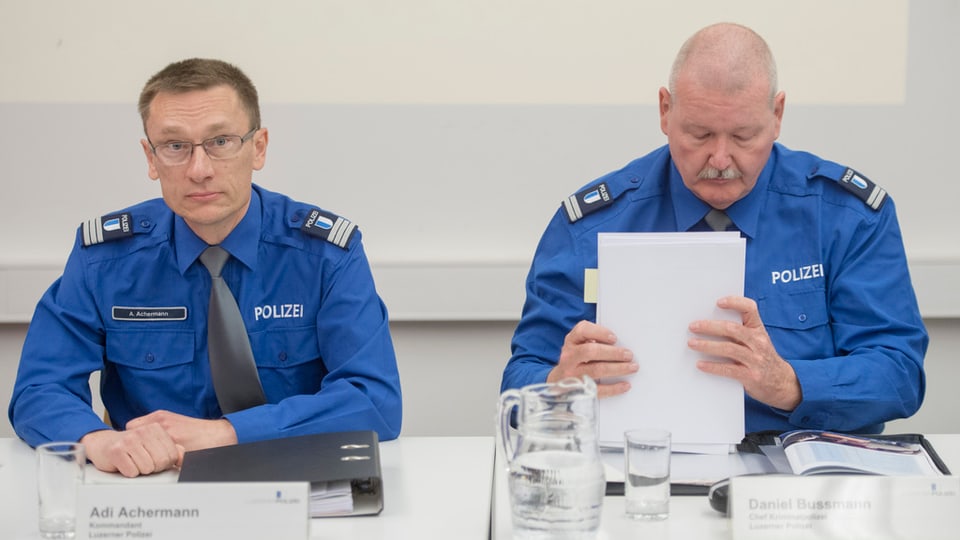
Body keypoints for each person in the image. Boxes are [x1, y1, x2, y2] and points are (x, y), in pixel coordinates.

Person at [501, 23, 927, 435]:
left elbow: (900, 374)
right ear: (665, 111)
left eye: (743, 136)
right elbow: (519, 384)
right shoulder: (592, 227)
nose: (720, 159)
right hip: (643, 473)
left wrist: (788, 383)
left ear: (776, 115)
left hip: (803, 480)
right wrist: (559, 386)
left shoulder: (844, 218)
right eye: (700, 134)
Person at [8, 58, 402, 477]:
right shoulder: (105, 261)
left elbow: (373, 399)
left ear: (259, 147)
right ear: (151, 157)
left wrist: (225, 434)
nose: (199, 170)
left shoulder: (324, 256)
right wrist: (98, 440)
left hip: (294, 483)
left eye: (221, 141)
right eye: (175, 147)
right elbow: (38, 389)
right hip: (150, 490)